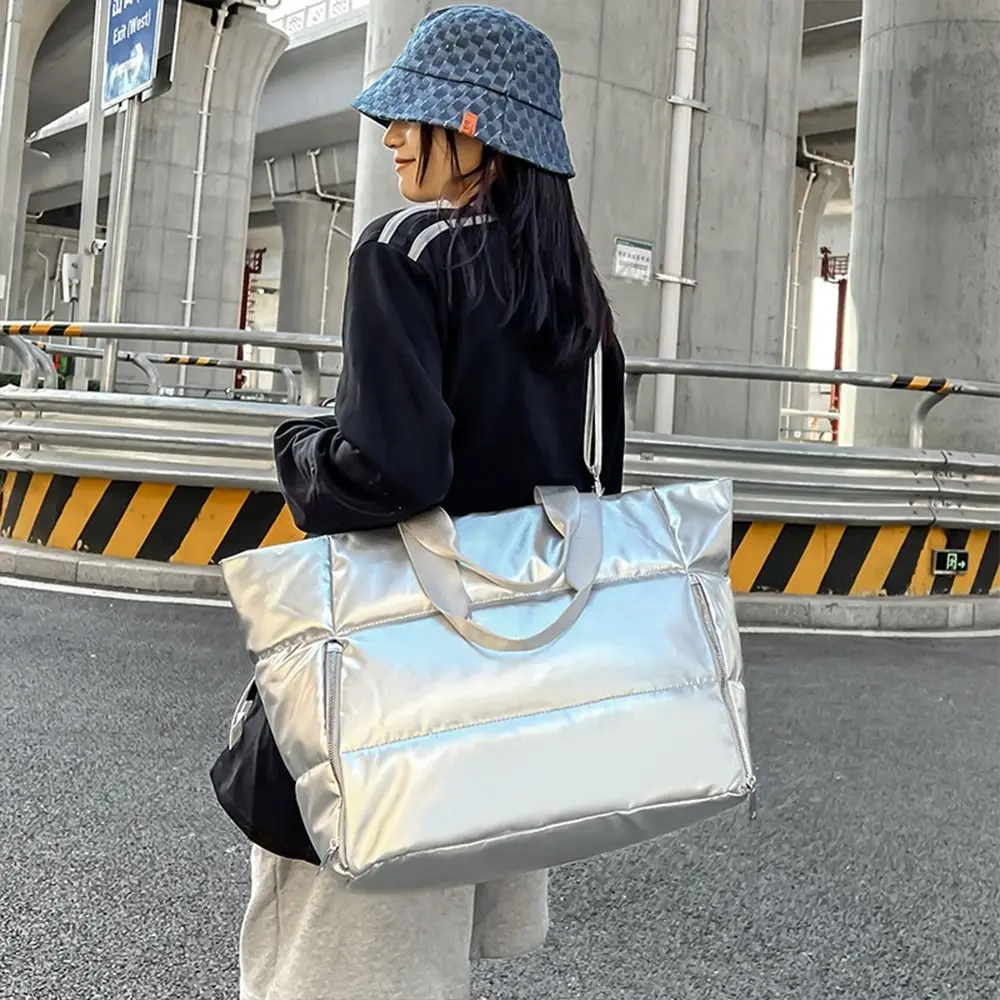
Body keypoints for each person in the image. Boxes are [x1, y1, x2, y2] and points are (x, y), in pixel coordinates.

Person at [239, 7, 626, 999]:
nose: (391, 137)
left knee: (328, 962)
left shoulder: (405, 251)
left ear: (474, 126)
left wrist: (299, 447)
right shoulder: (578, 297)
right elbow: (592, 486)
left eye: (411, 117)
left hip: (391, 676)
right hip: (506, 681)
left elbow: (391, 472)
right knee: (427, 960)